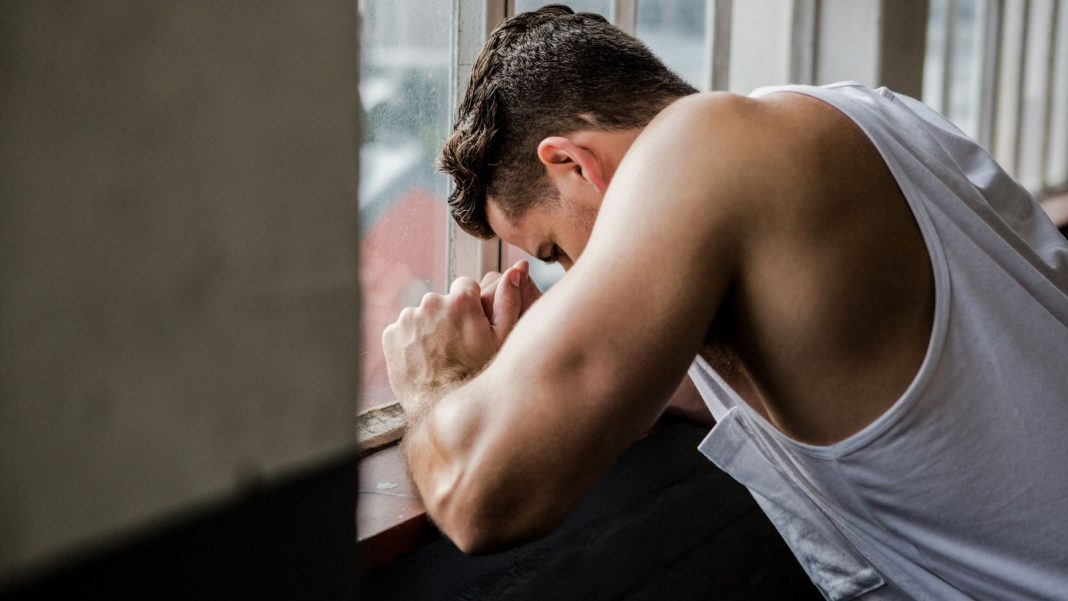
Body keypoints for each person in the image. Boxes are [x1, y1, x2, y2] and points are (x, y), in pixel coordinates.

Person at [381, 5, 1068, 599]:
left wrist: (432, 379)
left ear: (573, 163)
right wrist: (537, 360)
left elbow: (480, 493)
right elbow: (692, 373)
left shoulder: (702, 146)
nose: (573, 275)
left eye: (555, 250)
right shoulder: (858, 116)